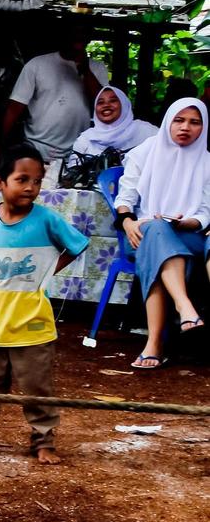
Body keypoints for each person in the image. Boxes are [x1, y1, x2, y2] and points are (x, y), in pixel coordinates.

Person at [0, 144, 89, 464]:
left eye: (37, 181)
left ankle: (43, 441)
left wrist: (49, 272)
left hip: (32, 318)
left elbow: (77, 244)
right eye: (22, 179)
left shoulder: (47, 219)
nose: (31, 188)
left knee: (37, 384)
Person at [113, 98, 210, 370]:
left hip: (186, 235)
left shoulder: (207, 162)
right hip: (141, 233)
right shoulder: (145, 152)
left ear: (204, 127)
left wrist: (183, 222)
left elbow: (204, 213)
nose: (185, 127)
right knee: (155, 232)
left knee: (160, 236)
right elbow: (126, 197)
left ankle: (154, 344)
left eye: (194, 122)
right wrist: (128, 222)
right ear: (168, 121)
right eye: (179, 120)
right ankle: (185, 308)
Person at [3, 26, 108, 166]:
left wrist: (85, 70)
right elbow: (15, 107)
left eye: (82, 40)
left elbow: (102, 102)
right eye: (74, 39)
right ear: (64, 39)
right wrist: (0, 144)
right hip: (37, 149)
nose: (77, 45)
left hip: (77, 151)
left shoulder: (97, 68)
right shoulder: (37, 64)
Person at [63, 86, 156, 183]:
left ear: (124, 104)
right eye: (100, 102)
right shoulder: (86, 139)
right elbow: (73, 173)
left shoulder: (145, 131)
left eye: (113, 101)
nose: (106, 105)